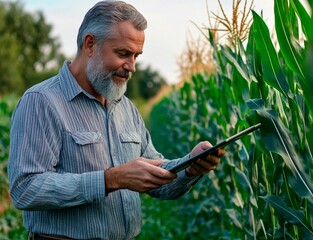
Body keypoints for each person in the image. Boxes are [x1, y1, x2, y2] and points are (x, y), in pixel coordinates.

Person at [7, 1, 225, 240]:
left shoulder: (126, 108)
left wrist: (190, 167)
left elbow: (156, 180)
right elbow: (25, 189)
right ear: (90, 44)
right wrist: (111, 179)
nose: (131, 66)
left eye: (136, 56)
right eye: (122, 54)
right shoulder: (42, 101)